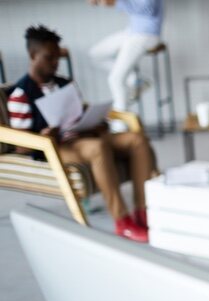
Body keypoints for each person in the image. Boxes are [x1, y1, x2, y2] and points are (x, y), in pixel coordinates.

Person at [6, 25, 154, 242]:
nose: (55, 64)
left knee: (136, 139)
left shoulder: (65, 84)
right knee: (97, 148)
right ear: (33, 55)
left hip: (82, 136)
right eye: (50, 58)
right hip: (56, 148)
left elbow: (78, 114)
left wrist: (96, 122)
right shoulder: (20, 95)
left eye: (57, 58)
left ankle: (142, 213)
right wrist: (44, 136)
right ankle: (123, 222)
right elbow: (21, 145)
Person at [88, 0, 163, 122]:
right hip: (132, 32)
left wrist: (114, 3)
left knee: (116, 79)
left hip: (146, 34)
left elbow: (147, 8)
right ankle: (136, 81)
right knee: (95, 54)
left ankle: (120, 126)